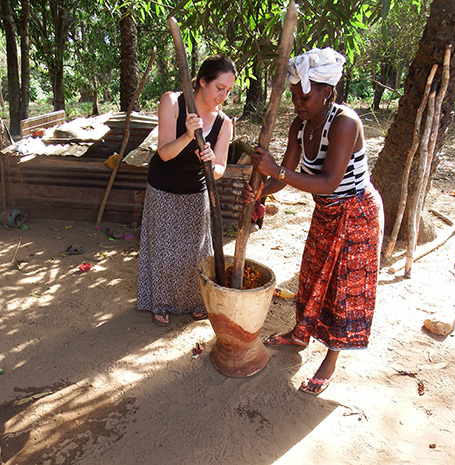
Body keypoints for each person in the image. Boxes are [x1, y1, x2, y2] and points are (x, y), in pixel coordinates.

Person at [243, 47, 384, 395]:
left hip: (356, 213)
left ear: (327, 91)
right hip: (326, 213)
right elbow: (284, 178)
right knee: (311, 274)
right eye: (294, 95)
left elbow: (328, 182)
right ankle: (299, 333)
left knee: (344, 290)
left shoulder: (345, 123)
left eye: (304, 96)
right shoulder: (299, 124)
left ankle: (330, 360)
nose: (298, 102)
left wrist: (277, 170)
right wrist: (261, 191)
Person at [137, 55, 236, 325]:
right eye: (219, 88)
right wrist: (189, 136)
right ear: (203, 82)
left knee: (195, 252)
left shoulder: (224, 123)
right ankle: (161, 302)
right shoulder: (172, 102)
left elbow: (220, 169)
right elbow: (165, 153)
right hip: (163, 188)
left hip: (196, 191)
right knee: (163, 252)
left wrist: (212, 162)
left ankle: (194, 300)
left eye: (228, 90)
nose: (223, 95)